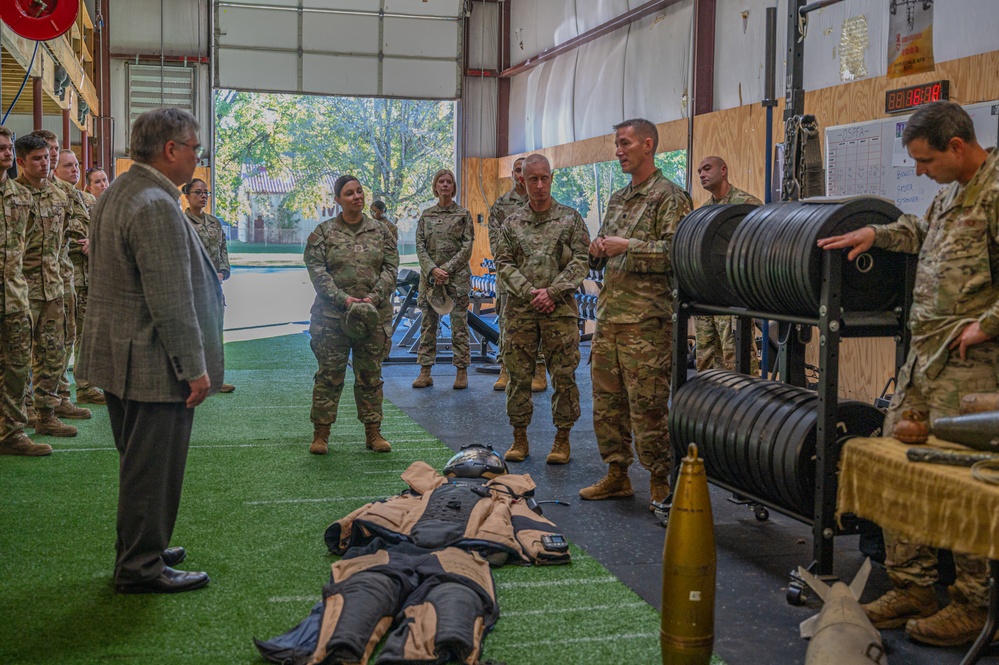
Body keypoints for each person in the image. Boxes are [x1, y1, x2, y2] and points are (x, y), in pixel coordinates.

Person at [818, 100, 999, 647]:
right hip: (924, 363)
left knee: (962, 482)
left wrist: (986, 325)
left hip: (971, 371)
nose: (920, 171)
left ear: (958, 148)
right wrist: (876, 235)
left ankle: (974, 606)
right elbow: (920, 231)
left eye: (925, 161)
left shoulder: (995, 194)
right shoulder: (949, 195)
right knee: (902, 468)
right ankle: (914, 586)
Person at [76, 108, 223, 594]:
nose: (197, 158)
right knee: (151, 468)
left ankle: (145, 545)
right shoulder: (157, 203)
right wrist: (194, 369)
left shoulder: (120, 189)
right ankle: (140, 566)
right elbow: (171, 298)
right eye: (195, 148)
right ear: (171, 150)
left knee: (139, 462)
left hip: (119, 353)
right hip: (152, 360)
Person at [579, 118, 692, 512]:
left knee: (648, 405)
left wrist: (628, 245)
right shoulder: (617, 198)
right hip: (610, 318)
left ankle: (660, 481)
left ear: (648, 145)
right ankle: (617, 473)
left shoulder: (670, 196)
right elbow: (606, 253)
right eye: (617, 144)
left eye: (625, 143)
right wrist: (597, 249)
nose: (619, 151)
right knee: (606, 404)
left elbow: (679, 254)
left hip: (646, 322)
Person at [494, 154, 589, 464]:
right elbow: (504, 263)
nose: (538, 185)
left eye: (543, 178)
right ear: (522, 179)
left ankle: (562, 439)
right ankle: (519, 438)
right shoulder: (512, 222)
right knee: (519, 375)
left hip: (559, 310)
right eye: (532, 179)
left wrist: (552, 292)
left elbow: (581, 260)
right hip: (521, 310)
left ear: (551, 177)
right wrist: (528, 291)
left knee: (563, 376)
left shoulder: (571, 219)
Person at [303, 174, 399, 456]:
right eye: (349, 193)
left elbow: (391, 269)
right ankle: (321, 434)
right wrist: (344, 300)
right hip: (332, 319)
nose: (356, 197)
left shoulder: (382, 232)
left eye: (359, 192)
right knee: (329, 377)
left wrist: (372, 299)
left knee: (370, 377)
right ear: (337, 200)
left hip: (373, 318)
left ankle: (373, 433)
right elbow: (317, 271)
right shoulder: (323, 233)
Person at [14, 135, 83, 438]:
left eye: (47, 158)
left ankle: (47, 414)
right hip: (20, 290)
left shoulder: (60, 195)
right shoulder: (12, 196)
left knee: (54, 354)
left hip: (54, 287)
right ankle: (18, 418)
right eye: (37, 159)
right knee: (17, 357)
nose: (45, 163)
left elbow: (76, 227)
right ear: (21, 162)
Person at [0, 126, 50, 456]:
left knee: (17, 367)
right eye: (0, 148)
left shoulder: (21, 197)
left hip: (14, 297)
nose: (5, 153)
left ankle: (12, 433)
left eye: (7, 148)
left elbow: (31, 243)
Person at [694, 156, 762, 375]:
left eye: (706, 169)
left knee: (737, 360)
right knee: (705, 360)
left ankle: (746, 406)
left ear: (723, 170)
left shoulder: (747, 205)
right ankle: (709, 407)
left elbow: (760, 249)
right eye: (699, 172)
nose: (702, 174)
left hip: (733, 297)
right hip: (707, 297)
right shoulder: (702, 212)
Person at [52, 149, 106, 406]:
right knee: (62, 337)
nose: (73, 169)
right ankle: (58, 395)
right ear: (55, 169)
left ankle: (85, 386)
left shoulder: (88, 200)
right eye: (67, 166)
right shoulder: (52, 196)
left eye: (76, 165)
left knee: (86, 336)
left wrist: (95, 242)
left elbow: (104, 231)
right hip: (62, 278)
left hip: (88, 278)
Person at [488, 157, 546, 393]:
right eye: (517, 171)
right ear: (512, 174)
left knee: (538, 324)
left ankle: (539, 370)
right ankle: (505, 370)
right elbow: (495, 243)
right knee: (506, 324)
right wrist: (514, 269)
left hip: (538, 277)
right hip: (509, 279)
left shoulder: (542, 203)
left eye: (525, 171)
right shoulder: (501, 206)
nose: (521, 175)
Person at [412, 168, 474, 390]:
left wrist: (445, 269)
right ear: (436, 187)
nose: (445, 185)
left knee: (459, 326)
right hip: (430, 281)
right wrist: (432, 270)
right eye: (441, 181)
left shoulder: (463, 215)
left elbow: (467, 247)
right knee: (428, 326)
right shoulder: (426, 216)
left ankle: (461, 371)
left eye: (449, 181)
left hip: (456, 280)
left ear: (453, 187)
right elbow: (419, 246)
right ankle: (425, 371)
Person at [182, 178, 235, 393]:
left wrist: (222, 272)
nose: (203, 196)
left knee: (214, 333)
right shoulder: (181, 222)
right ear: (187, 195)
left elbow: (223, 249)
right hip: (190, 287)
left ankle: (215, 379)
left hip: (213, 286)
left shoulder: (214, 222)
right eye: (198, 192)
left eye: (206, 193)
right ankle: (188, 380)